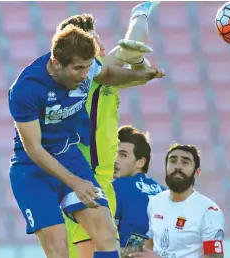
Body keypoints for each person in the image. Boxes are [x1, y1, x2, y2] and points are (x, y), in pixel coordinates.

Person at [8, 24, 164, 258]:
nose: (84, 75)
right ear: (56, 63)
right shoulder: (25, 89)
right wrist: (76, 183)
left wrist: (141, 76)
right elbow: (34, 149)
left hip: (69, 157)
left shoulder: (86, 68)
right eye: (78, 69)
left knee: (106, 233)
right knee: (59, 248)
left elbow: (107, 74)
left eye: (88, 68)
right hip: (33, 172)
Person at [59, 2, 162, 258]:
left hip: (105, 181)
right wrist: (142, 12)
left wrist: (138, 62)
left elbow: (137, 71)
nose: (101, 48)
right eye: (94, 43)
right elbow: (130, 49)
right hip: (84, 180)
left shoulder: (103, 76)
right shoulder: (83, 77)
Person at [130, 144, 225, 258]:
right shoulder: (155, 202)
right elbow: (149, 243)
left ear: (197, 172)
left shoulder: (208, 211)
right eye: (173, 161)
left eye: (185, 162)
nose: (178, 166)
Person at [113, 126, 167, 251]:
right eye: (114, 153)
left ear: (140, 162)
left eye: (123, 155)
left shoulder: (116, 188)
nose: (115, 160)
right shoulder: (165, 192)